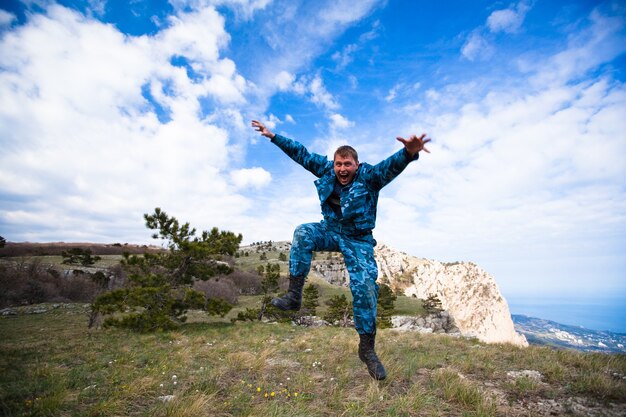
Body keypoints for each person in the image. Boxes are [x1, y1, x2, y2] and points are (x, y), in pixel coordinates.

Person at [251, 119, 430, 380]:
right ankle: (294, 296)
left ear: (356, 165)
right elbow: (300, 153)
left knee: (365, 287)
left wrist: (408, 153)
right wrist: (272, 136)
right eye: (339, 164)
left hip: (358, 239)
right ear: (334, 165)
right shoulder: (326, 171)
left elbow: (389, 168)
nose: (342, 169)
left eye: (348, 164)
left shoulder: (369, 178)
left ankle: (367, 349)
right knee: (303, 232)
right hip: (331, 230)